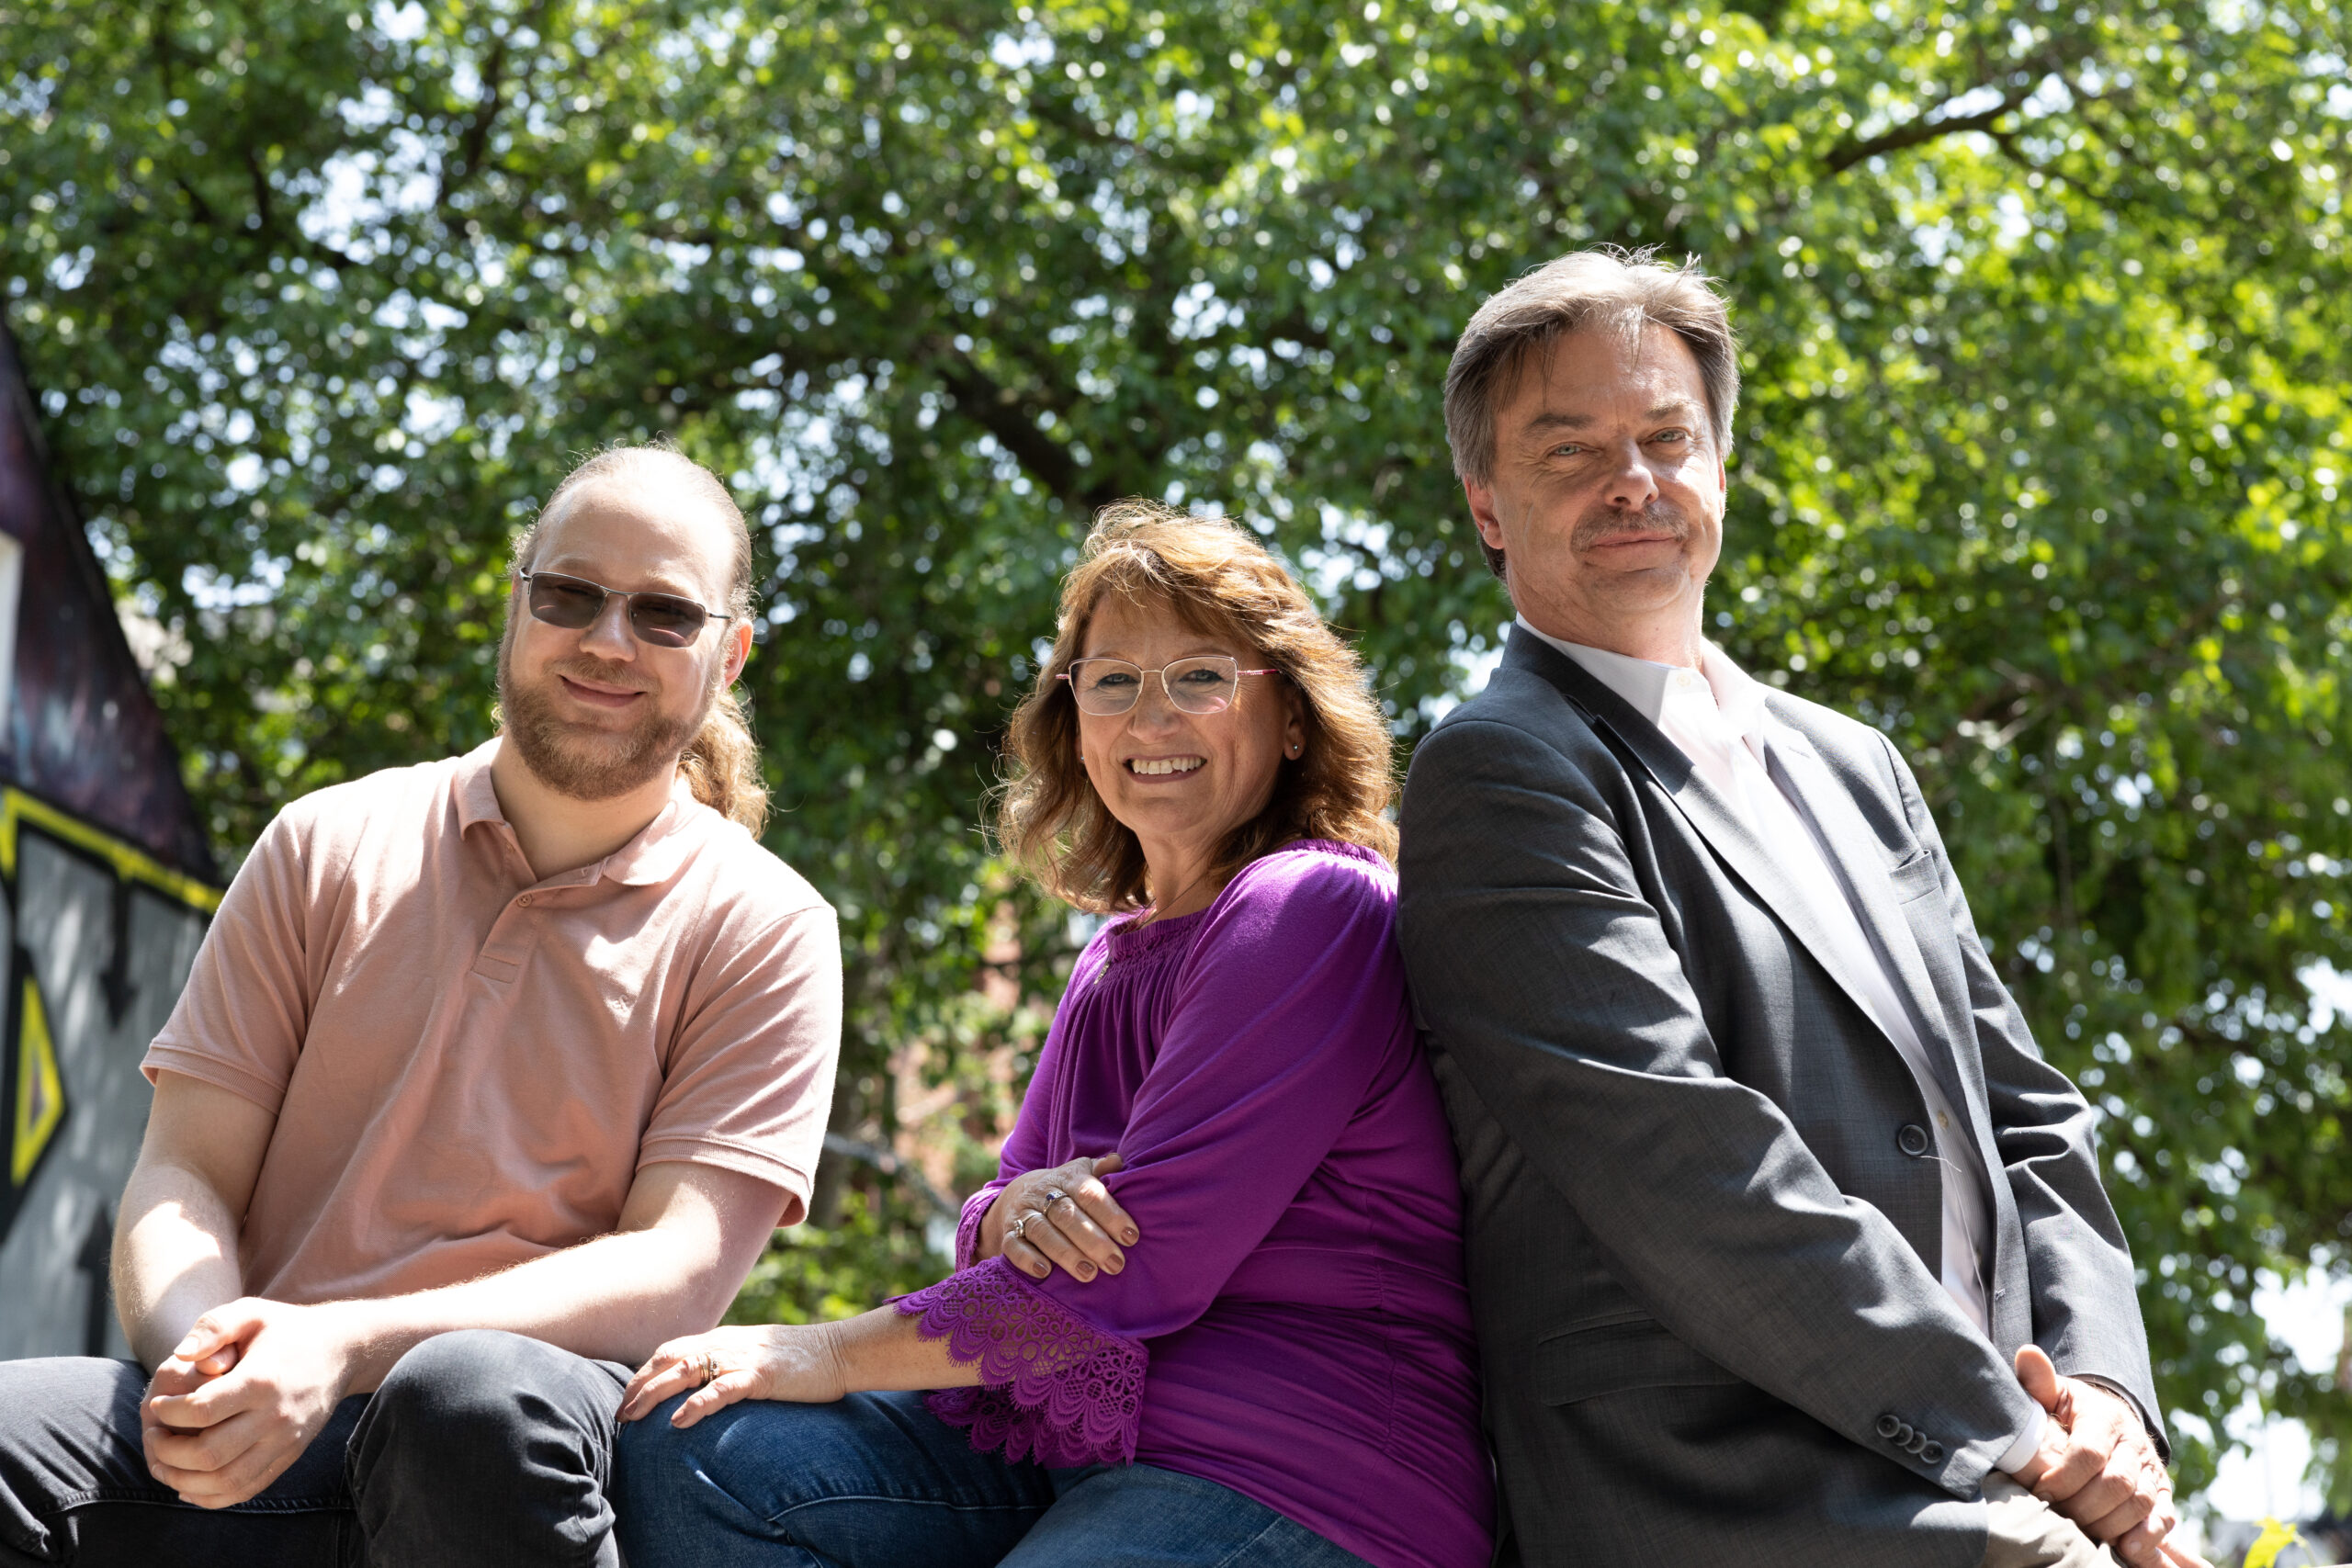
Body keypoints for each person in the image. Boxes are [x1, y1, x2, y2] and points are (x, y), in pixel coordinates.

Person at [1394, 249, 2209, 1568]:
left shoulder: (1857, 765)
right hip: (1735, 1481)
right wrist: (2024, 1438)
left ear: (1723, 466)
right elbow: (1678, 1155)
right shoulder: (1500, 766)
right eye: (1569, 450)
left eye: (1669, 435)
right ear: (1486, 502)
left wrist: (2107, 1397)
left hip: (2008, 1459)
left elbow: (2031, 1111)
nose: (1634, 481)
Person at [0, 444, 841, 1567]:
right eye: (570, 595)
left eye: (663, 615)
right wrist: (210, 1356)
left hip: (512, 1457)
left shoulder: (767, 925)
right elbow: (183, 1171)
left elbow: (676, 1271)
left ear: (728, 655)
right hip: (269, 1428)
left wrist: (337, 1347)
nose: (605, 640)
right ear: (516, 599)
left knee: (465, 1392)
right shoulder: (326, 844)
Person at [610, 501, 1492, 1568]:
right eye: (1113, 682)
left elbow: (1140, 1264)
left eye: (1201, 677)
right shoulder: (1116, 951)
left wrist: (829, 1349)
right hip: (1065, 1442)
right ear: (1075, 722)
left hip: (1301, 1464)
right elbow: (1001, 1206)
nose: (1150, 718)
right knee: (696, 1444)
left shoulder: (1310, 905)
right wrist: (1006, 1213)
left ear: (1293, 718)